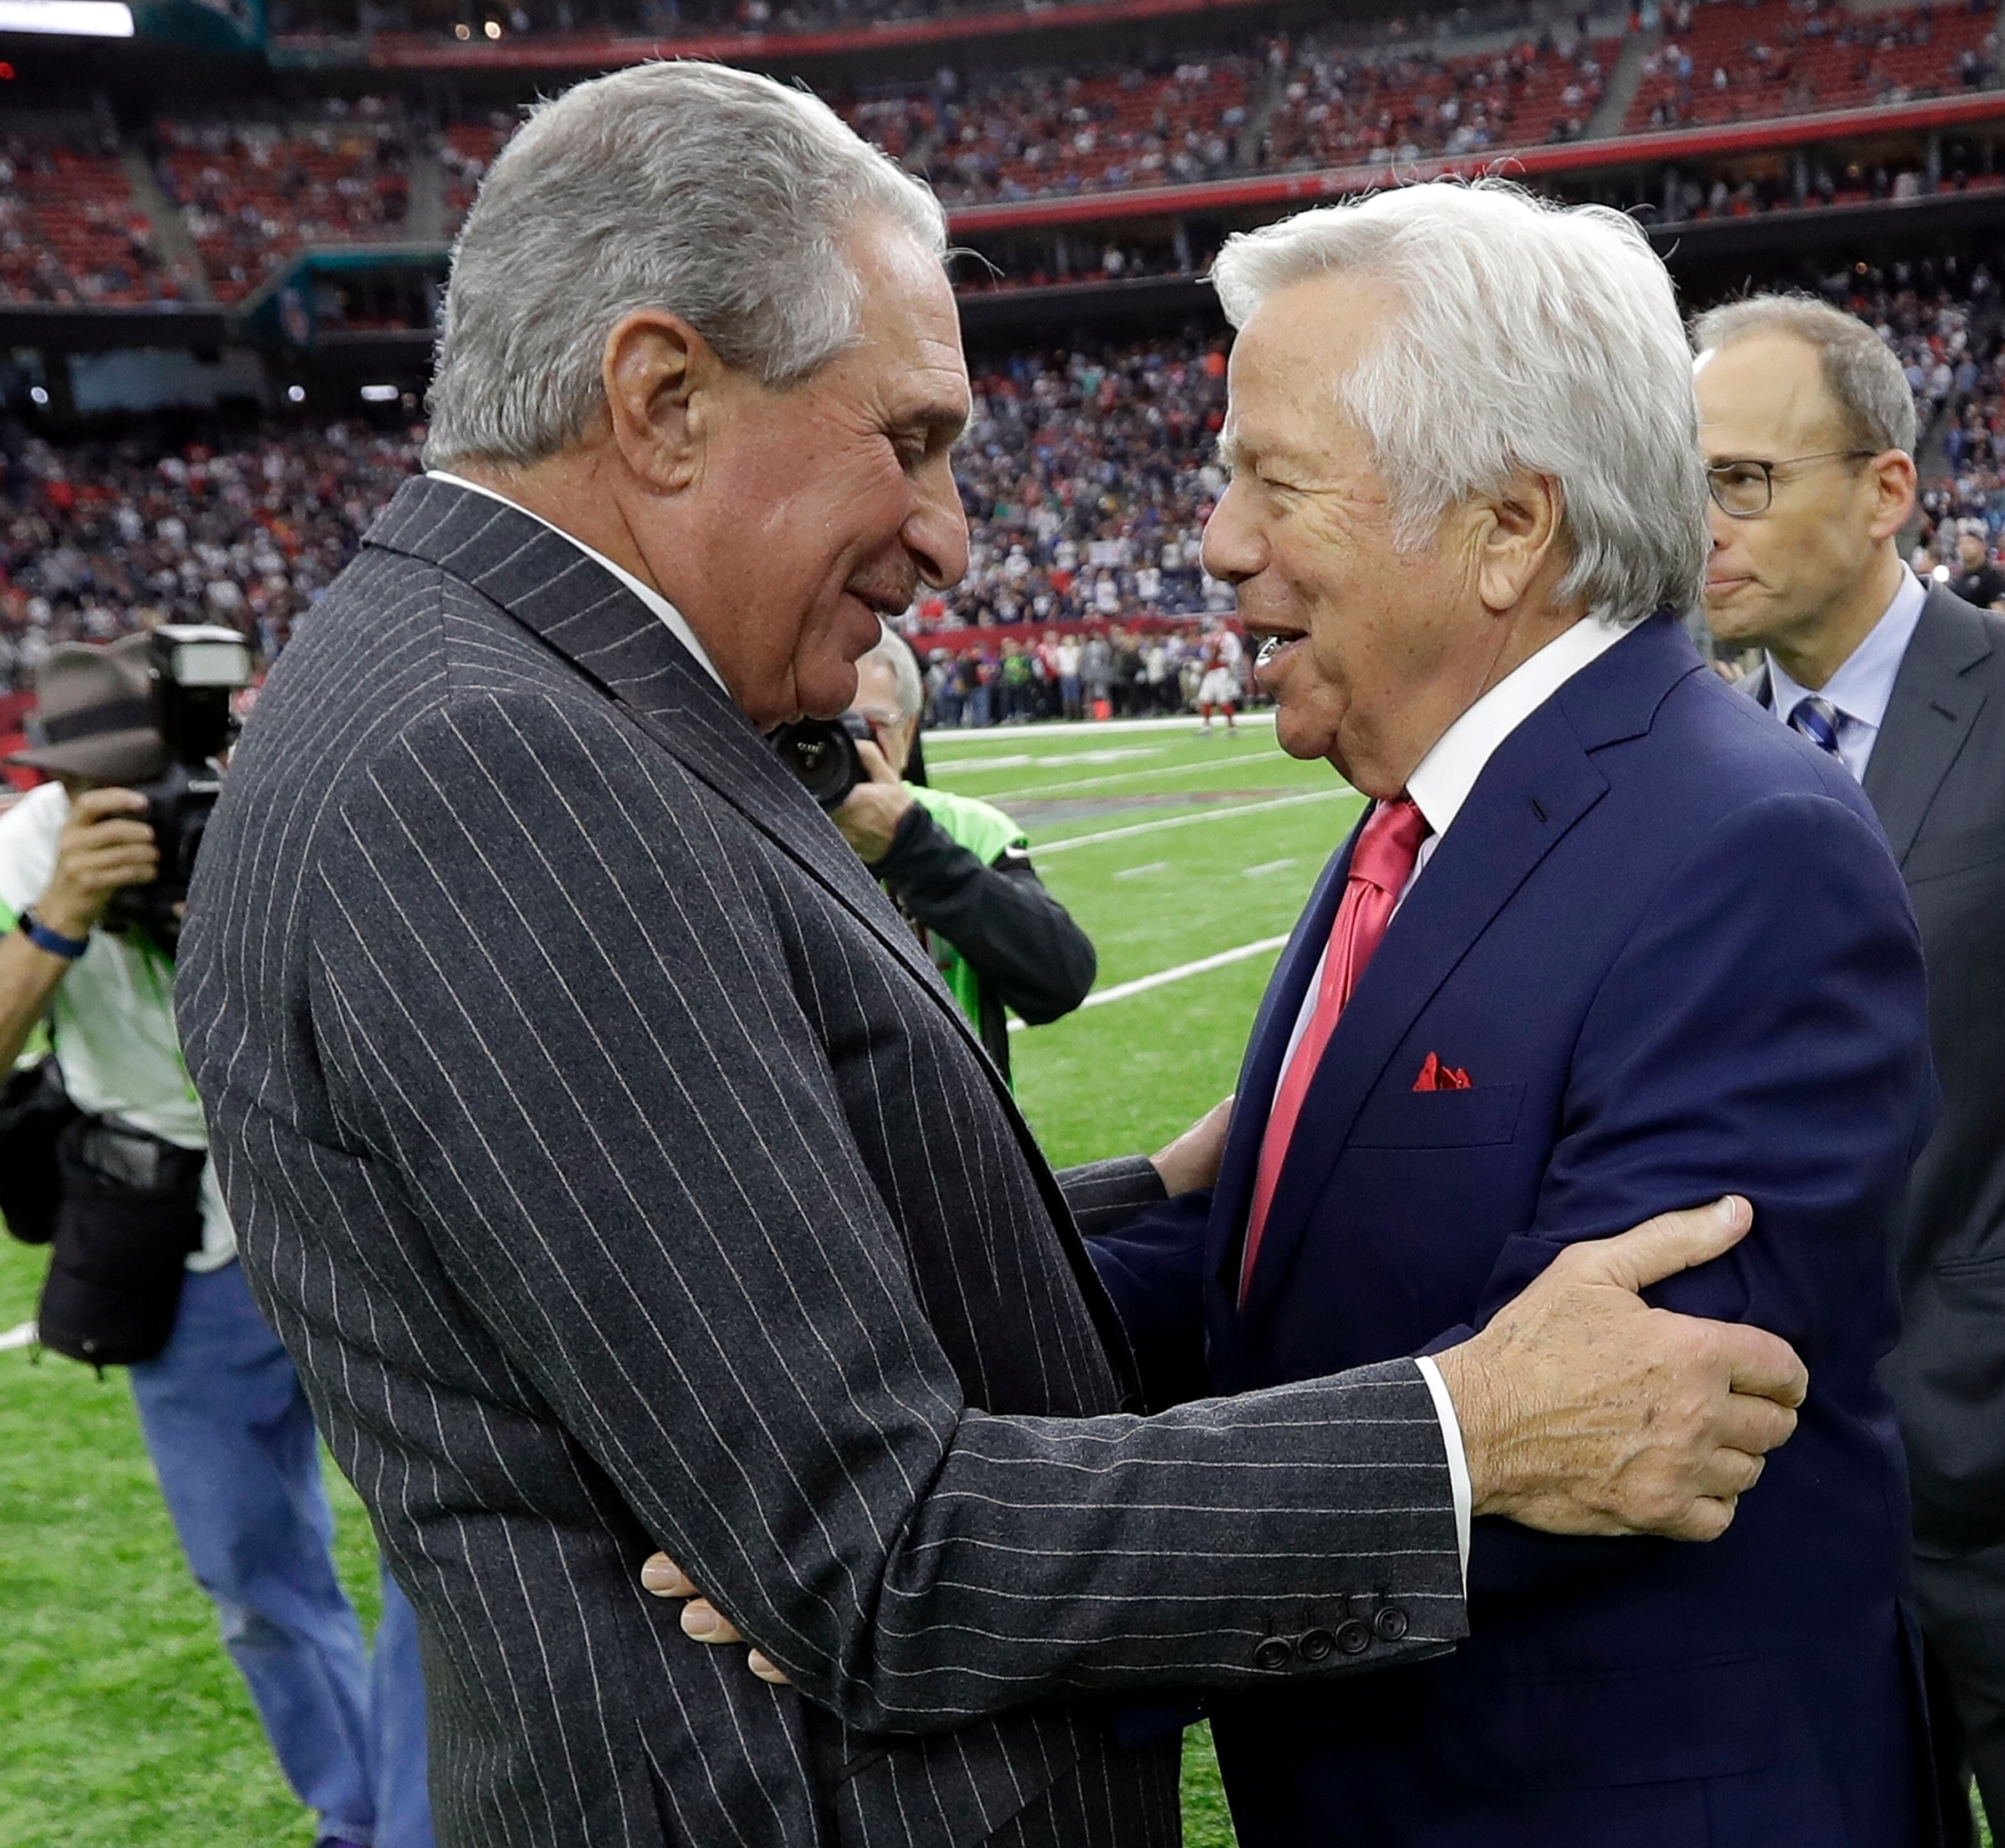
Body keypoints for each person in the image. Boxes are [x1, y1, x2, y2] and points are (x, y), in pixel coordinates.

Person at [177, 65, 1809, 1848]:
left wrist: (1179, 1203)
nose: (951, 535)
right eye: (913, 439)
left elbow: (731, 1249)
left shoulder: (484, 691)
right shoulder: (499, 762)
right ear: (660, 399)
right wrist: (1464, 1436)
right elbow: (869, 1557)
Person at [1037, 181, 1937, 1847]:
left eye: (1272, 481)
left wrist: (1001, 1553)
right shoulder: (1421, 816)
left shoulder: (1742, 852)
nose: (1218, 539)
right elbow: (1284, 1276)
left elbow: (1612, 1431)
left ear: (1505, 529)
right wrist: (885, 1388)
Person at [1694, 293, 2005, 1848]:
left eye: (1742, 480)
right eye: (1688, 482)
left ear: (1886, 491)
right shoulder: (1699, 750)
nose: (1703, 524)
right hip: (1790, 1488)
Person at [0, 637, 432, 1848]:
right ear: (55, 780)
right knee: (247, 1571)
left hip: (348, 1212)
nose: (128, 806)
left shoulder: (277, 800)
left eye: (148, 777)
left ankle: (421, 1822)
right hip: (177, 1240)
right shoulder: (25, 850)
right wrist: (64, 913)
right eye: (94, 788)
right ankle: (353, 1812)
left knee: (432, 1542)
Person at [831, 626, 1093, 1077]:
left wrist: (914, 848)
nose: (850, 748)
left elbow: (1061, 979)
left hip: (961, 1134)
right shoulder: (755, 827)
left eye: (870, 727)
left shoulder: (965, 829)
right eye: (828, 728)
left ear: (909, 731)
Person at [1948, 526, 2005, 609]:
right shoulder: (1957, 580)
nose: (1965, 547)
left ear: (1983, 546)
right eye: (1961, 544)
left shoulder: (1994, 577)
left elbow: (2000, 614)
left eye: (1970, 543)